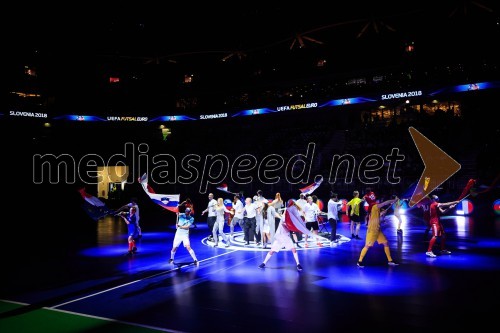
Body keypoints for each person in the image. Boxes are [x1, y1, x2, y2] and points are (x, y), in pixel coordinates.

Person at [258, 200, 303, 271]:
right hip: (279, 236)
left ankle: (298, 264)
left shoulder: (292, 216)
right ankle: (264, 263)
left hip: (286, 236)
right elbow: (284, 223)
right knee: (271, 251)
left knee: (294, 249)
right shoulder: (285, 215)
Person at [357, 198, 399, 267]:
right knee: (367, 246)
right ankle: (359, 261)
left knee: (385, 242)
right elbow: (385, 203)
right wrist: (393, 200)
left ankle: (390, 260)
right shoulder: (375, 207)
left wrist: (383, 215)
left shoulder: (378, 211)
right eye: (378, 201)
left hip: (377, 230)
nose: (379, 202)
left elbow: (381, 220)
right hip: (372, 230)